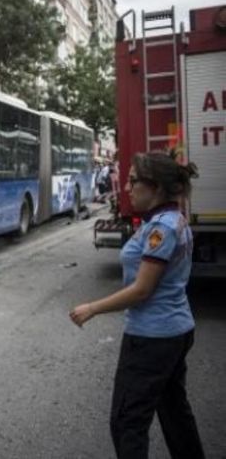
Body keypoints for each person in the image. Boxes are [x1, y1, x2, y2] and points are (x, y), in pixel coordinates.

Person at [69, 150, 204, 459]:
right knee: (174, 413)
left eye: (132, 182)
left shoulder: (162, 229)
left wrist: (92, 308)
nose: (127, 188)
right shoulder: (169, 221)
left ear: (155, 187)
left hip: (152, 338)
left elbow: (142, 290)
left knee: (127, 422)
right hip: (174, 331)